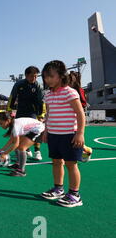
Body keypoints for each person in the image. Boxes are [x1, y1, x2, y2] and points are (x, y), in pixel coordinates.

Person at [40, 60, 85, 208]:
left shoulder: (70, 92)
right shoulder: (47, 94)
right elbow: (49, 114)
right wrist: (46, 131)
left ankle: (74, 194)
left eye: (51, 76)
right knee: (57, 162)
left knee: (71, 165)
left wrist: (79, 134)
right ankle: (58, 188)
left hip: (69, 135)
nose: (47, 79)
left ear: (60, 76)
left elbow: (80, 114)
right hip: (54, 135)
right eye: (45, 77)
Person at [7, 66, 45, 160]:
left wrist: (41, 115)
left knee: (36, 131)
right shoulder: (19, 84)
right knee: (21, 132)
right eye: (32, 76)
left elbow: (41, 102)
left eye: (36, 76)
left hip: (33, 112)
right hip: (21, 111)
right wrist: (9, 109)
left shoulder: (38, 86)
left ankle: (37, 151)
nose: (34, 78)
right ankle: (26, 149)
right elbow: (12, 97)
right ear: (26, 75)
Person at [0, 112, 45, 177]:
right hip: (33, 130)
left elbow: (16, 144)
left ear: (8, 120)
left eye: (1, 123)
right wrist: (3, 149)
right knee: (18, 145)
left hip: (39, 130)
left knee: (21, 147)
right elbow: (12, 140)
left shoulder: (15, 125)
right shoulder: (13, 124)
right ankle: (18, 164)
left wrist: (5, 153)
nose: (0, 125)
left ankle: (22, 171)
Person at [69, 71, 93, 161]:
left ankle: (87, 151)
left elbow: (83, 103)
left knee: (74, 140)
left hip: (76, 118)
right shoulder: (67, 90)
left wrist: (76, 107)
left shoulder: (78, 89)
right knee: (70, 140)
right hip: (70, 117)